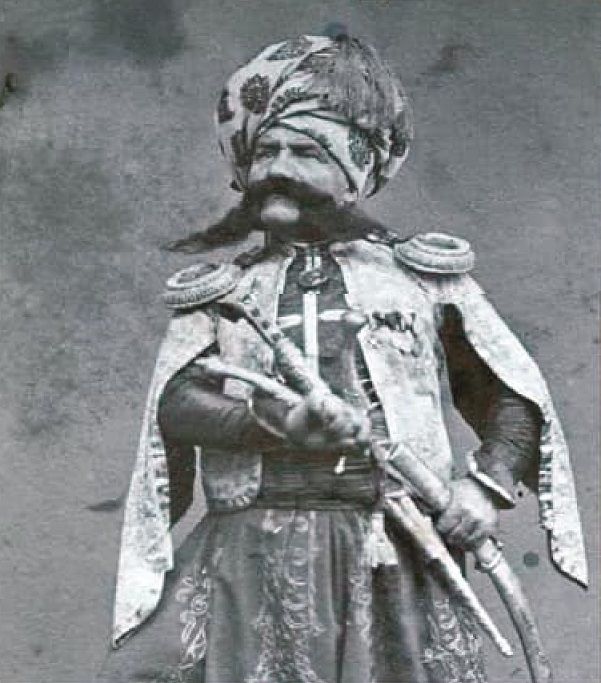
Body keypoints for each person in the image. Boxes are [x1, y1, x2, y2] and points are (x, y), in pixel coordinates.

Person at [98, 33, 587, 683]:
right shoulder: (224, 292)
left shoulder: (419, 282)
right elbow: (178, 402)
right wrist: (274, 423)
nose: (278, 167)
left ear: (355, 170)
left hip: (397, 548)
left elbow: (510, 397)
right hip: (251, 553)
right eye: (265, 149)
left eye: (305, 151)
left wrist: (485, 486)